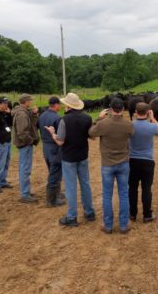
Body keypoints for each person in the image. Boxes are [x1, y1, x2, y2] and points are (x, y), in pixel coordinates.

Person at [46, 92, 95, 227]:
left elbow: (60, 142)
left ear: (68, 105)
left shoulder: (64, 120)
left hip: (69, 158)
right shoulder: (87, 118)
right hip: (83, 155)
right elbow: (91, 135)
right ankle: (89, 212)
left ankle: (72, 217)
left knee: (71, 187)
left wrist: (52, 133)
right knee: (85, 183)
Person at [89, 97, 134, 234]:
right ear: (123, 109)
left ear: (110, 108)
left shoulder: (103, 123)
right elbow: (132, 134)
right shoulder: (128, 124)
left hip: (107, 163)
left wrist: (99, 118)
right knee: (124, 194)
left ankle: (108, 225)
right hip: (123, 162)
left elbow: (91, 132)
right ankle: (123, 225)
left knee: (107, 195)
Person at [128, 102, 158, 223]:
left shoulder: (130, 125)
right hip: (147, 161)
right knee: (146, 189)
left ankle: (132, 214)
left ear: (136, 112)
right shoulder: (152, 126)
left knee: (132, 188)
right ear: (148, 112)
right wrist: (152, 118)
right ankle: (147, 214)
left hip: (132, 160)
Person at [11, 93, 40, 203]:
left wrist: (34, 114)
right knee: (25, 169)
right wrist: (31, 141)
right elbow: (22, 133)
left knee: (24, 168)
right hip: (25, 144)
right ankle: (25, 194)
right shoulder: (22, 114)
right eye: (30, 100)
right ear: (25, 101)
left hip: (25, 144)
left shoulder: (24, 112)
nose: (31, 102)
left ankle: (25, 191)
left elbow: (31, 124)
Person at [38, 96, 65, 207]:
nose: (61, 106)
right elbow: (60, 136)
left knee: (52, 171)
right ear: (56, 105)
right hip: (54, 148)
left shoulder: (42, 116)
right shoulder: (57, 118)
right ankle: (51, 200)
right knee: (55, 173)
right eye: (60, 104)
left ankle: (56, 194)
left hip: (45, 147)